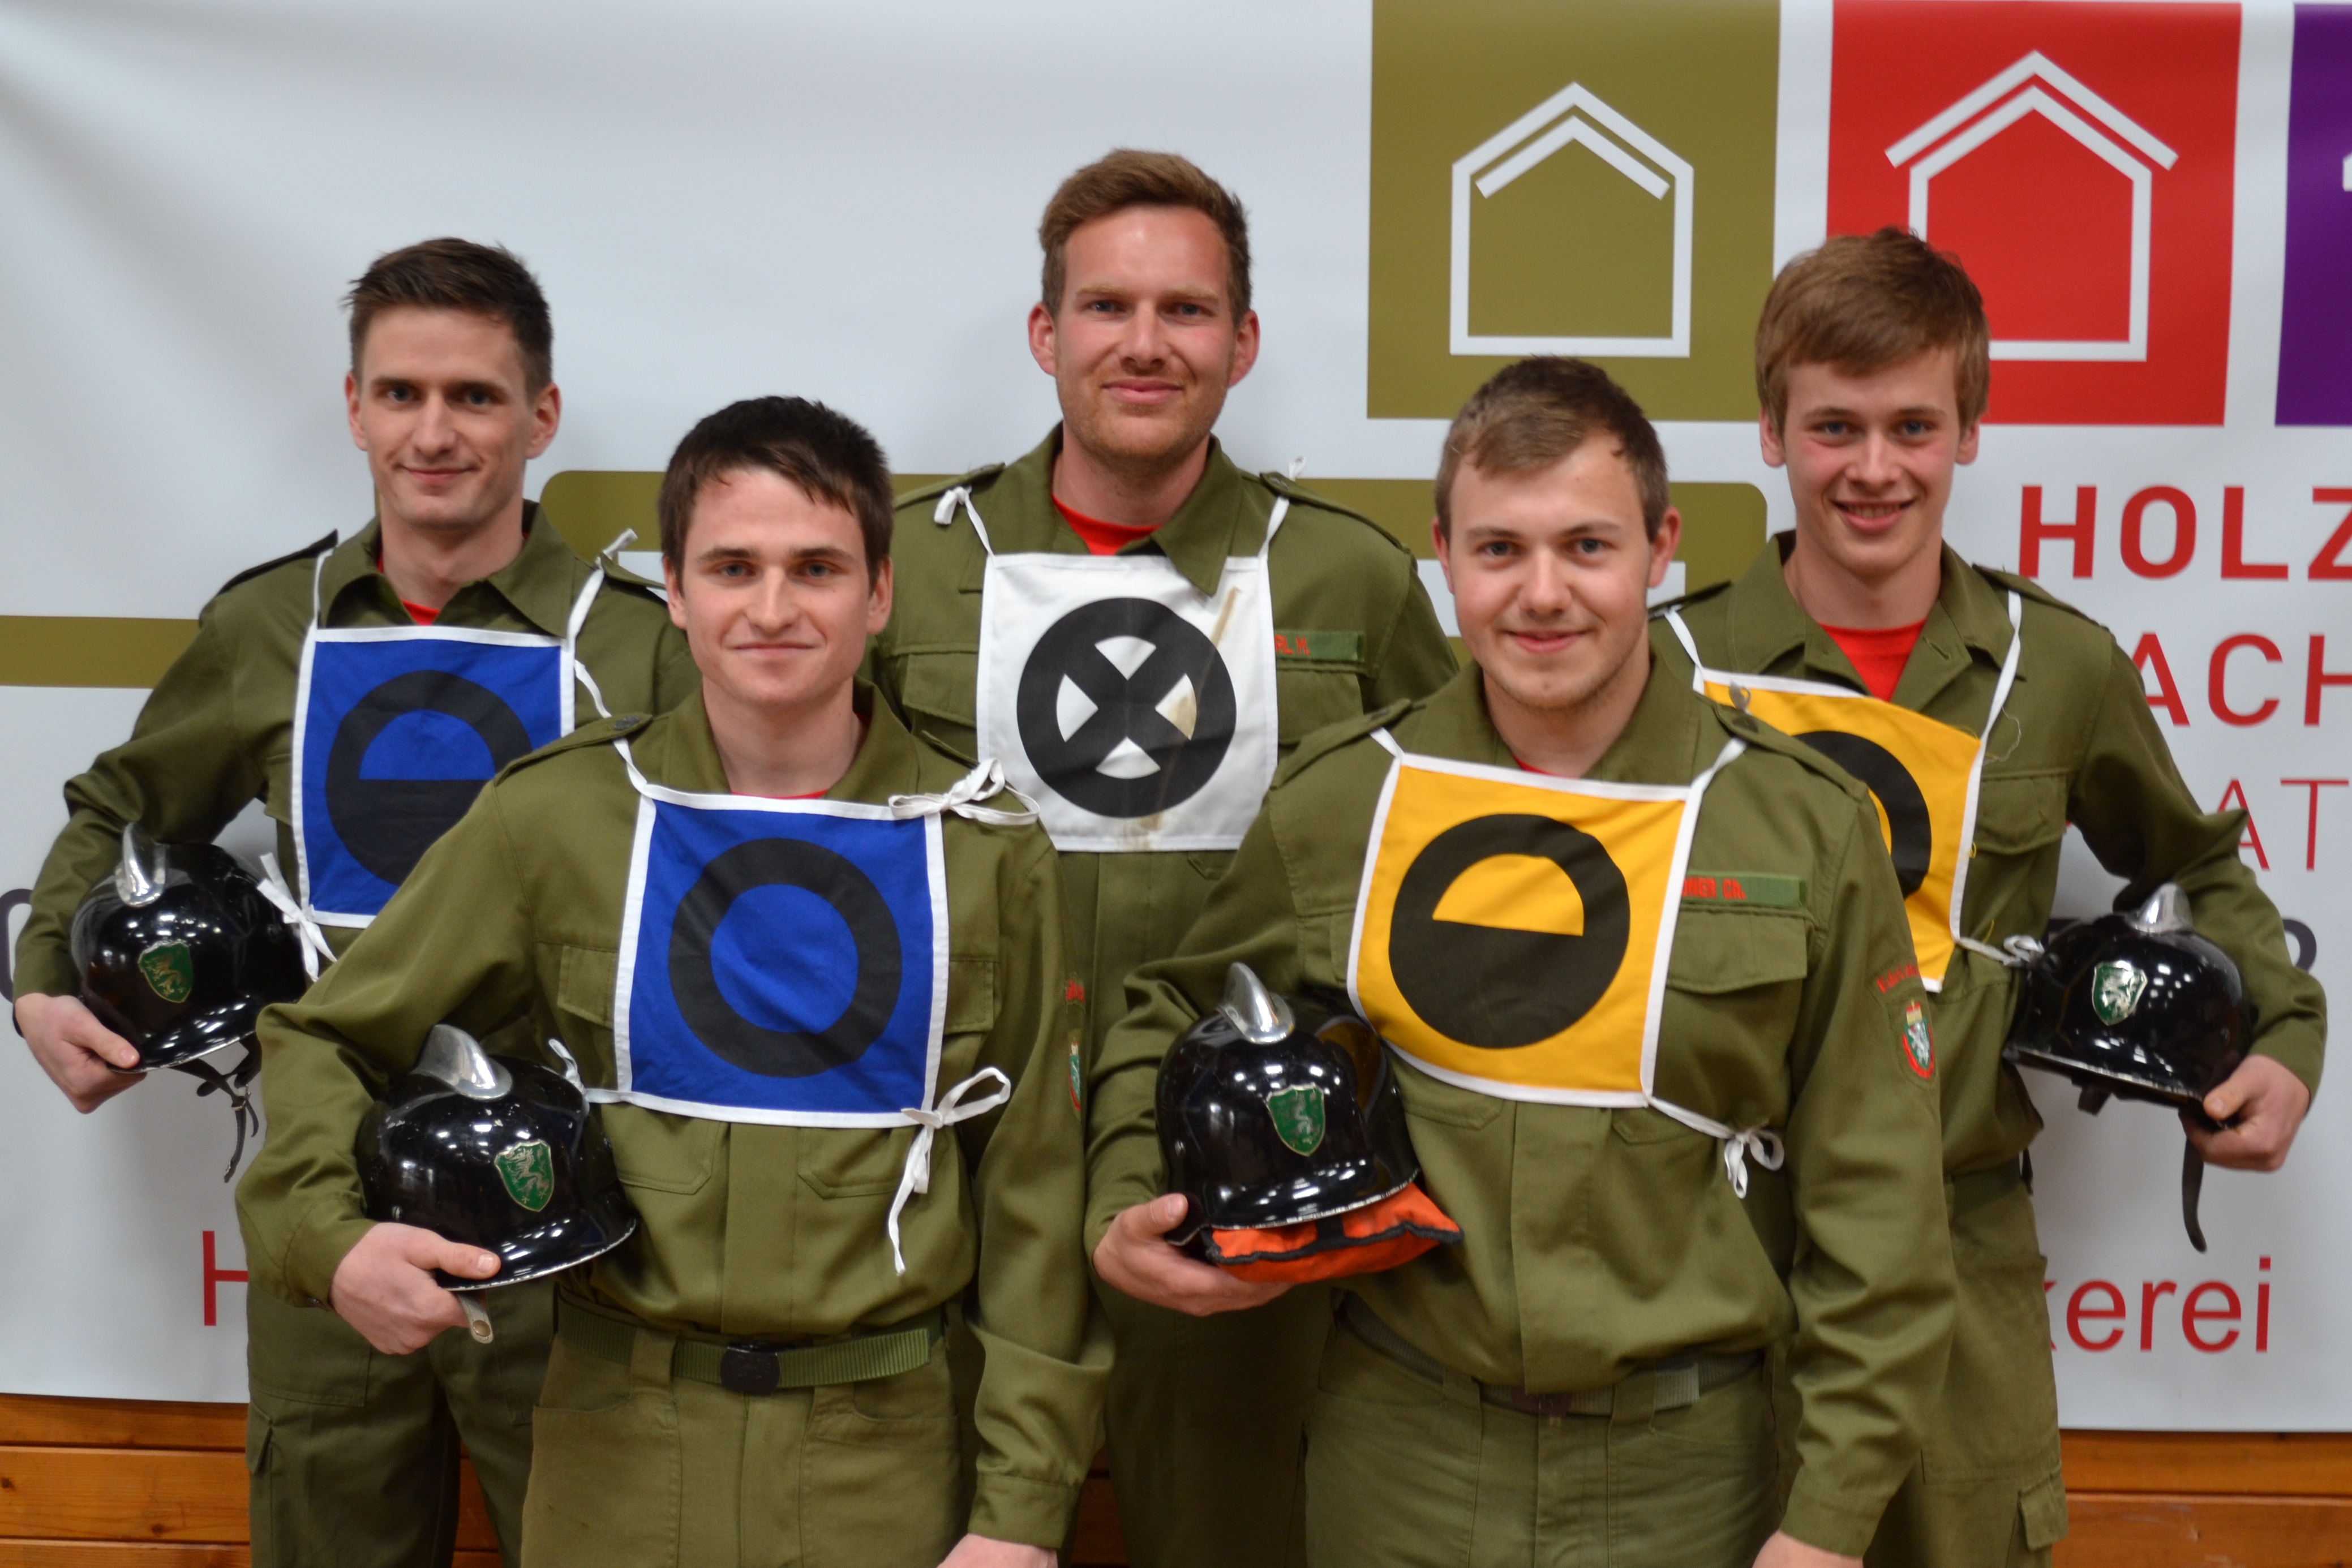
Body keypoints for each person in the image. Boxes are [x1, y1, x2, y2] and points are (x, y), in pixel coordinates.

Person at [1089, 356, 1956, 1568]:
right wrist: (1127, 1198)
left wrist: (1829, 1520)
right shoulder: (1346, 798)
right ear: (1442, 554)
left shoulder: (1798, 826)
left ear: (1660, 548)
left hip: (1693, 1469)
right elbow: (1178, 1008)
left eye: (1587, 548)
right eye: (1499, 550)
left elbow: (1880, 1207)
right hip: (1400, 1456)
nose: (1542, 595)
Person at [235, 396, 1104, 1568]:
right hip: (615, 1453)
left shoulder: (987, 848)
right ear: (677, 593)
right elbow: (328, 1034)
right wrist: (330, 1238)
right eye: (732, 568)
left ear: (880, 593)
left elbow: (1035, 1192)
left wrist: (1020, 1512)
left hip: (887, 1458)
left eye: (817, 569)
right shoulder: (557, 819)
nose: (773, 609)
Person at [10, 238, 693, 1568]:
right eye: (401, 394)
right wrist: (44, 980)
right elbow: (124, 808)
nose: (434, 433)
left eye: (475, 396)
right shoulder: (271, 625)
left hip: (574, 1219)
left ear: (541, 415)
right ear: (354, 408)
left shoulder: (642, 644)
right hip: (325, 1204)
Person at [1651, 227, 2327, 1567]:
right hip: (1710, 1238)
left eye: (1911, 425)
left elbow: (2191, 865)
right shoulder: (1663, 668)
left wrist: (2285, 1040)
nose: (1873, 468)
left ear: (1967, 430)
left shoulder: (2054, 667)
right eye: (1832, 427)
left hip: (1954, 1242)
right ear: (1770, 433)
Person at [868, 148, 1456, 1566]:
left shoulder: (1347, 577)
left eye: (1185, 310)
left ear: (1241, 343)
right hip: (950, 1191)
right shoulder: (906, 568)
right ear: (1045, 333)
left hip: (1234, 1196)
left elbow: (1433, 851)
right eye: (1106, 307)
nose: (1144, 344)